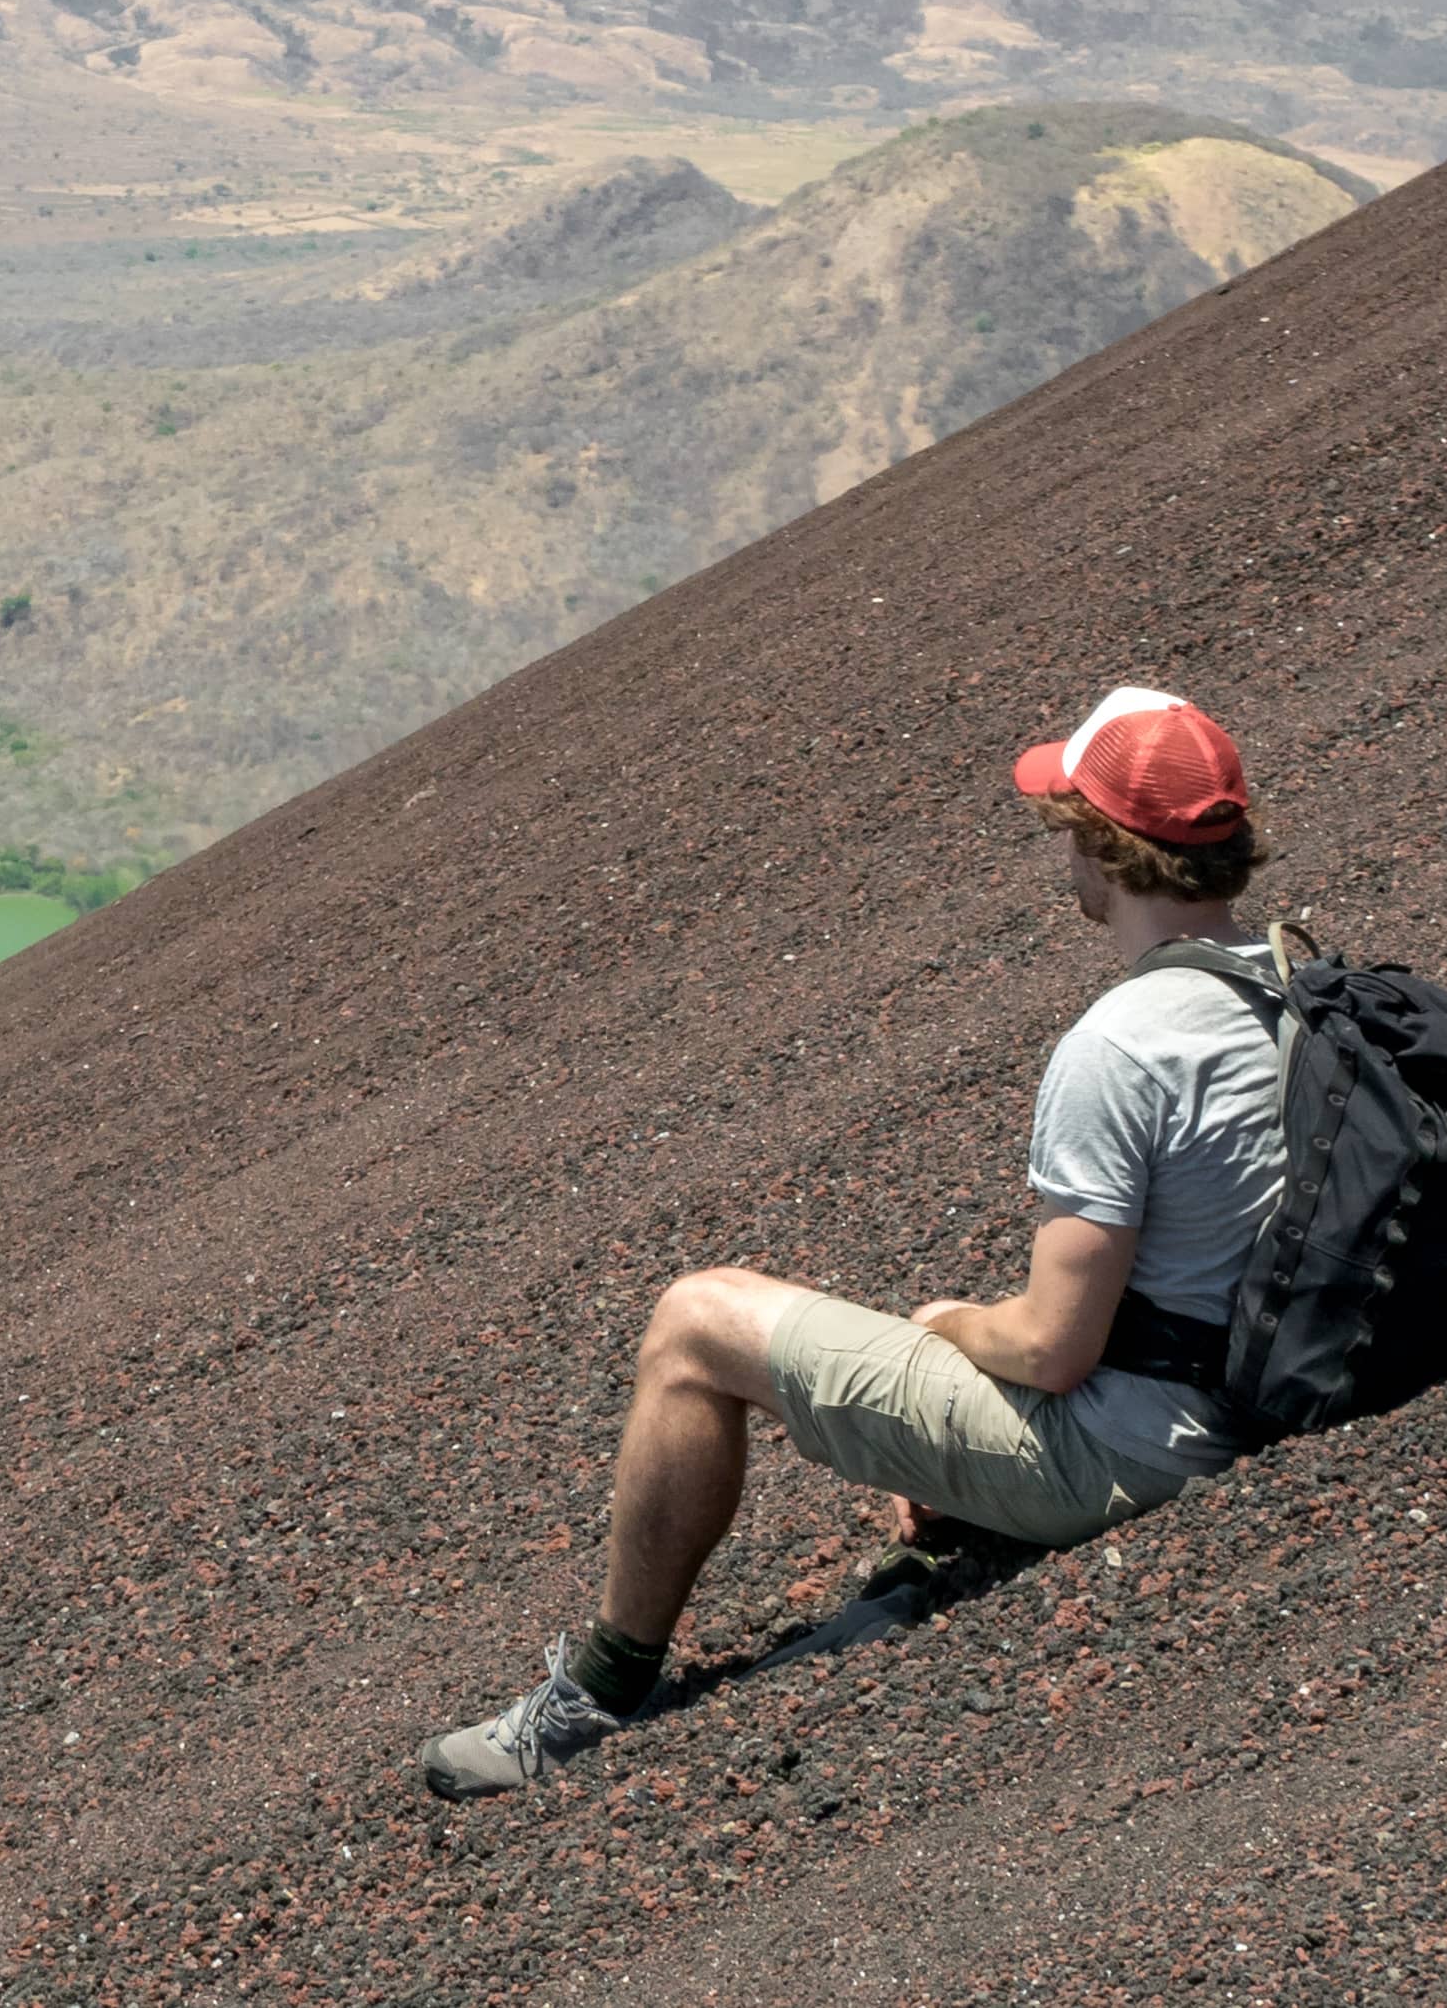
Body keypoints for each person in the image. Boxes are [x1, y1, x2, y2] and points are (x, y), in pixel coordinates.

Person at [420, 683, 1289, 1798]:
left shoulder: (1120, 1044)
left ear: (1100, 845)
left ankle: (593, 1690)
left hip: (1139, 1448)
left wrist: (942, 1328)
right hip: (1255, 1389)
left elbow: (1054, 1349)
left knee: (694, 1322)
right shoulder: (1291, 983)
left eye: (1065, 827)